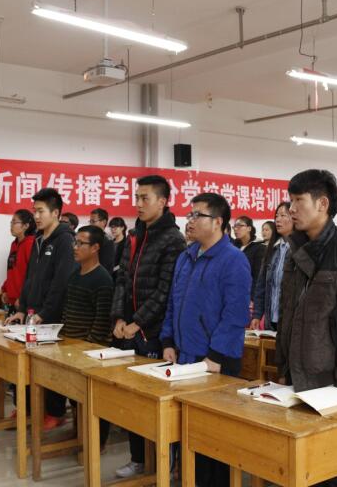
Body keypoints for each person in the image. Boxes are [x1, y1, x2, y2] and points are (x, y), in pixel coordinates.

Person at [277, 170, 337, 487]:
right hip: (297, 372)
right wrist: (283, 367)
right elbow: (288, 312)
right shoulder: (296, 248)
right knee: (301, 467)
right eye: (290, 201)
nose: (291, 209)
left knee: (332, 469)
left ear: (322, 204)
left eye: (298, 201)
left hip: (331, 379)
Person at [161, 193, 251, 487]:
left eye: (197, 215)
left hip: (214, 362)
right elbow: (173, 303)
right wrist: (168, 341)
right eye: (189, 215)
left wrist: (216, 356)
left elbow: (235, 313)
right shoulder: (186, 257)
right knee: (187, 435)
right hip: (185, 357)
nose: (190, 221)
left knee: (215, 441)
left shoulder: (233, 260)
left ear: (217, 222)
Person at [111, 175, 186, 479]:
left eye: (145, 198)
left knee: (157, 403)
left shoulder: (173, 239)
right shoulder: (134, 235)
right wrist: (119, 318)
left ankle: (166, 464)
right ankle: (138, 458)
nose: (138, 204)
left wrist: (137, 322)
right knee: (133, 400)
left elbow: (165, 291)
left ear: (163, 201)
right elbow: (121, 279)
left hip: (153, 334)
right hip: (128, 330)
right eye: (136, 197)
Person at [7, 188, 76, 428]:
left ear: (55, 213)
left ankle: (56, 412)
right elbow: (31, 277)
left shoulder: (65, 240)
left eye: (41, 211)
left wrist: (44, 313)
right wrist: (23, 307)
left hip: (53, 315)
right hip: (33, 313)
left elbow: (61, 281)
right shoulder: (38, 239)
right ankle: (30, 407)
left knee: (52, 367)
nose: (36, 216)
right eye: (34, 211)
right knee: (31, 364)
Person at [46, 225, 114, 444]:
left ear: (95, 248)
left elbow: (101, 322)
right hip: (71, 346)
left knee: (94, 400)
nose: (75, 247)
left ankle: (96, 442)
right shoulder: (75, 274)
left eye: (80, 243)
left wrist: (87, 350)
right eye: (75, 242)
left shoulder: (103, 279)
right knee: (75, 397)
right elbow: (68, 311)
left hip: (89, 351)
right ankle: (80, 433)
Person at [251, 202, 293, 331]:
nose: (278, 220)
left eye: (283, 215)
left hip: (291, 322)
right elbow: (261, 285)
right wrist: (257, 315)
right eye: (276, 216)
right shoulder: (273, 249)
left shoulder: (301, 250)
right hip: (271, 320)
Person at [0, 210, 35, 310]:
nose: (11, 225)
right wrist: (5, 289)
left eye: (14, 222)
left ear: (26, 225)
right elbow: (11, 270)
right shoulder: (14, 244)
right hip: (11, 299)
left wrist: (22, 297)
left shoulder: (31, 244)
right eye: (11, 222)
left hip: (23, 301)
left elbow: (33, 275)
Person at [232, 215, 265, 300]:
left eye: (240, 226)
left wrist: (252, 298)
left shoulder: (259, 247)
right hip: (232, 291)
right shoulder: (233, 246)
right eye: (234, 226)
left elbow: (257, 276)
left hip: (248, 294)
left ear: (249, 228)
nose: (236, 229)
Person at [88, 207, 116, 275]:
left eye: (93, 221)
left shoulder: (108, 242)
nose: (90, 224)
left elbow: (105, 266)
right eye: (90, 221)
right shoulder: (89, 238)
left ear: (104, 222)